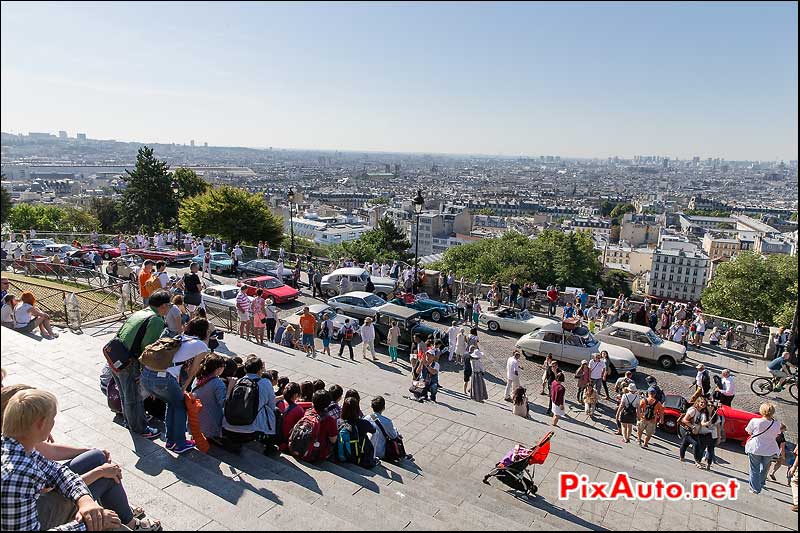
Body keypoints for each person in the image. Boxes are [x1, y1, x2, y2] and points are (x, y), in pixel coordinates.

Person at [0, 385, 161, 531]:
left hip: (39, 508)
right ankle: (128, 522)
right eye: (52, 418)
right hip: (38, 517)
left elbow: (57, 472)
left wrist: (84, 499)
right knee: (114, 524)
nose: (54, 424)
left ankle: (125, 519)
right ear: (41, 424)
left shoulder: (15, 445)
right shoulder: (18, 474)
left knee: (101, 469)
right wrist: (86, 525)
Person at [141, 317, 210, 453]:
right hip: (163, 379)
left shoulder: (180, 337)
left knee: (173, 403)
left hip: (147, 375)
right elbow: (193, 370)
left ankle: (172, 441)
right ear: (204, 331)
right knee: (180, 406)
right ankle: (178, 443)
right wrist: (185, 386)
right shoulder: (200, 345)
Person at [112, 290, 172, 441]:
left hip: (114, 355)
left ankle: (130, 422)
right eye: (169, 305)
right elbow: (148, 348)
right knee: (133, 397)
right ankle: (140, 428)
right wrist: (144, 372)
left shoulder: (141, 312)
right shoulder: (156, 320)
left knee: (125, 393)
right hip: (128, 362)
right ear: (163, 306)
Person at [221, 355, 277, 455]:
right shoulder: (265, 383)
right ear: (260, 370)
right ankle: (270, 446)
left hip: (229, 425)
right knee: (275, 411)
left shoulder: (238, 381)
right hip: (251, 430)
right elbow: (271, 405)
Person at [744, 402, 782, 494]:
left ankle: (755, 488)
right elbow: (777, 434)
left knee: (754, 469)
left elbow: (749, 432)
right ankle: (761, 482)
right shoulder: (777, 424)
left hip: (755, 448)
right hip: (769, 449)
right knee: (765, 468)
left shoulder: (755, 421)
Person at [192, 353, 228, 446]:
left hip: (195, 418)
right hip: (210, 422)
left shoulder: (198, 377)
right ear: (218, 369)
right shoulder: (218, 384)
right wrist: (231, 387)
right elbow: (224, 403)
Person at [337, 396, 377, 467]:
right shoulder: (363, 423)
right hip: (359, 455)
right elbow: (373, 430)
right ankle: (373, 457)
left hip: (344, 455)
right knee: (374, 434)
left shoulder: (340, 422)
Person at [679, 396, 713, 466]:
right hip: (688, 431)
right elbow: (684, 420)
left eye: (704, 403)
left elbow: (701, 422)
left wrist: (706, 424)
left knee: (685, 444)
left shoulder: (701, 412)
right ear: (698, 402)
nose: (703, 404)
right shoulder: (693, 410)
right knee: (695, 444)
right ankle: (696, 461)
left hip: (695, 432)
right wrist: (692, 426)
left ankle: (682, 457)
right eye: (702, 402)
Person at [277, 383, 305, 453]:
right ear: (295, 395)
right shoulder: (299, 410)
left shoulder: (279, 403)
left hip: (277, 437)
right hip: (288, 441)